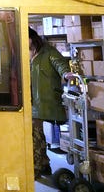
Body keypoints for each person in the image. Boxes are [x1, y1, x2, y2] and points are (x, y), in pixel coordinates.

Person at [29, 27, 72, 180]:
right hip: (32, 101)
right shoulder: (27, 53)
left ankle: (36, 166)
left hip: (44, 100)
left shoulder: (48, 52)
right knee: (36, 133)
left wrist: (66, 74)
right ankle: (45, 165)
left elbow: (60, 64)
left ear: (33, 38)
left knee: (34, 134)